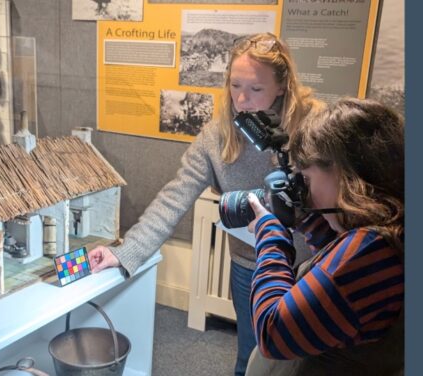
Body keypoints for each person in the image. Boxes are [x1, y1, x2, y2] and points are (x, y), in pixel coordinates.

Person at [88, 32, 324, 376]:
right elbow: (175, 195)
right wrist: (126, 252)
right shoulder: (217, 135)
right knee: (251, 355)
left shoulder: (313, 125)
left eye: (256, 89)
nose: (242, 99)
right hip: (250, 263)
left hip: (309, 265)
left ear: (282, 86)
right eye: (235, 85)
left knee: (307, 363)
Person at [245, 98, 404, 375]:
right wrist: (306, 220)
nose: (303, 190)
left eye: (306, 179)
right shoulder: (388, 232)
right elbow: (338, 286)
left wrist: (270, 234)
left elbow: (274, 333)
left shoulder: (372, 251)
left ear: (344, 175)